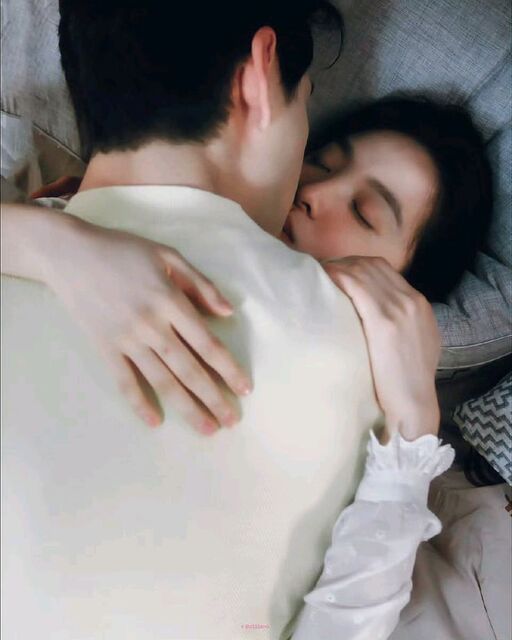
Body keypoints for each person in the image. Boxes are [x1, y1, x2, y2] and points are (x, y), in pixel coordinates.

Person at [1, 1, 491, 637]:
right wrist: (50, 240)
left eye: (366, 215)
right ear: (260, 77)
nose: (310, 193)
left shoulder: (373, 377)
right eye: (319, 157)